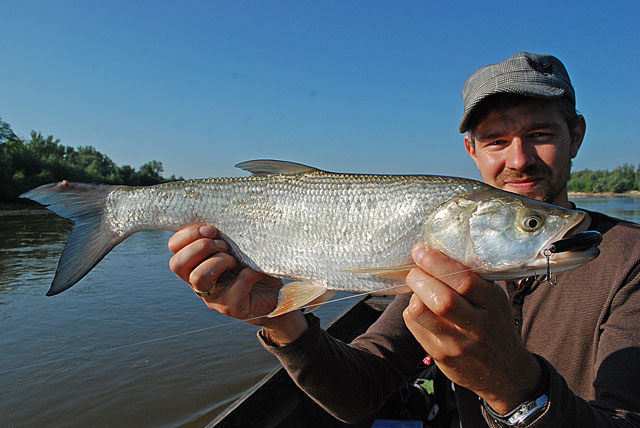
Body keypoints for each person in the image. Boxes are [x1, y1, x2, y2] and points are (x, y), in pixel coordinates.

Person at [168, 52, 640, 427]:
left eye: (540, 133)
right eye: (496, 140)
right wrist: (281, 318)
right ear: (471, 150)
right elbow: (358, 395)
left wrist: (513, 387)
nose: (518, 159)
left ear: (575, 135)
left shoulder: (630, 259)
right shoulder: (440, 260)